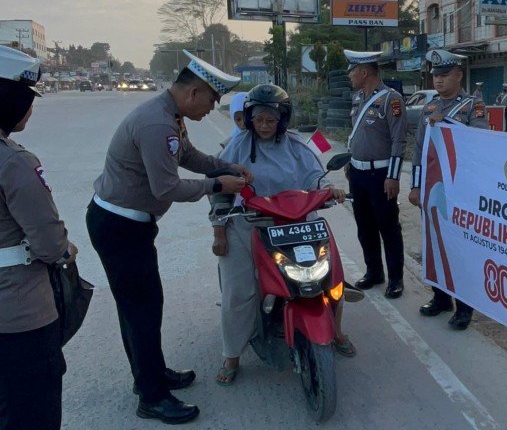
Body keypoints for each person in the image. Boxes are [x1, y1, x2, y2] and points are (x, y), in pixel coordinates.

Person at [86, 51, 252, 425]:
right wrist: (216, 184)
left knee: (145, 308)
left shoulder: (171, 116)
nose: (213, 108)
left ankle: (153, 375)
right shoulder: (156, 124)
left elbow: (187, 155)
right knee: (141, 312)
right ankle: (152, 397)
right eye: (211, 100)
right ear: (193, 92)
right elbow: (166, 187)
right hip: (119, 227)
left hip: (130, 226)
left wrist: (225, 165)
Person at [210, 84, 351, 385]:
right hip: (251, 225)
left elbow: (316, 178)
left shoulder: (297, 146)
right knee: (240, 292)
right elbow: (219, 193)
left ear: (282, 120)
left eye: (270, 120)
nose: (263, 125)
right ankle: (232, 354)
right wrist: (219, 231)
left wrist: (329, 190)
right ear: (249, 118)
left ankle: (336, 332)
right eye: (258, 119)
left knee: (331, 279)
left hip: (297, 224)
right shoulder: (234, 148)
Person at [0, 47, 78, 430]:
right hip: (19, 315)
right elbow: (48, 244)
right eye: (27, 100)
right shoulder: (14, 162)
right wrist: (66, 250)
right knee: (32, 414)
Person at [409, 49, 488, 330]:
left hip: (459, 190)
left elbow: (478, 143)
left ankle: (464, 307)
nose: (439, 81)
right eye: (435, 76)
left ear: (458, 75)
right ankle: (440, 297)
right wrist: (416, 186)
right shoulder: (430, 107)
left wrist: (449, 123)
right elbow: (419, 150)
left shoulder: (472, 106)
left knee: (459, 247)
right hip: (432, 186)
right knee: (433, 244)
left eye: (444, 76)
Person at [344, 49, 408, 299]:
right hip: (358, 174)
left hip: (381, 175)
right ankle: (374, 271)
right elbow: (358, 136)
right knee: (365, 226)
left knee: (388, 227)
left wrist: (393, 177)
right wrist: (351, 161)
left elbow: (399, 140)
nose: (349, 76)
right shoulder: (357, 98)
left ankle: (395, 279)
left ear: (364, 71)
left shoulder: (391, 100)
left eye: (352, 71)